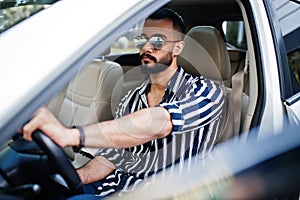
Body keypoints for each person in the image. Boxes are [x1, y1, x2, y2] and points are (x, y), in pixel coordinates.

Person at [22, 8, 224, 198]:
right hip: (113, 187)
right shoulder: (130, 99)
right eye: (142, 39)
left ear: (178, 47)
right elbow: (110, 157)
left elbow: (160, 123)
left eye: (157, 41)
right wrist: (73, 178)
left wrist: (71, 135)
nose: (146, 47)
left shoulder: (206, 93)